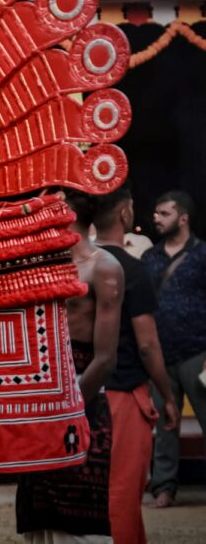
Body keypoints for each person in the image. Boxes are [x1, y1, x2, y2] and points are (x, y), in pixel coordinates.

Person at [17, 190, 124, 542]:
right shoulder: (41, 265)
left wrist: (66, 407)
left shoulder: (104, 267)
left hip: (82, 399)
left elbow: (105, 359)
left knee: (82, 519)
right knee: (40, 516)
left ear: (64, 213)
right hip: (40, 399)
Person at [93, 187, 179, 543]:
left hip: (81, 395)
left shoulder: (77, 265)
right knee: (123, 493)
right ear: (126, 215)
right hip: (123, 396)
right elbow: (147, 344)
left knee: (92, 494)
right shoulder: (131, 269)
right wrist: (167, 395)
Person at [142, 190, 206, 508]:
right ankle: (164, 487)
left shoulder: (203, 254)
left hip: (198, 352)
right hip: (160, 354)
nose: (156, 218)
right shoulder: (150, 259)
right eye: (155, 213)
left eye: (164, 213)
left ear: (183, 218)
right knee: (165, 425)